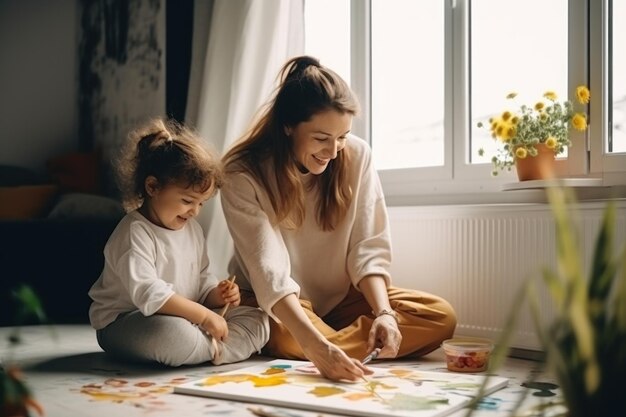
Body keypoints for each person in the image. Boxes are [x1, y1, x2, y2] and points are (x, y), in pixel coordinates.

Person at [220, 56, 457, 382]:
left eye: (342, 137)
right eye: (321, 138)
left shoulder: (357, 156)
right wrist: (316, 344)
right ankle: (317, 344)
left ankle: (326, 343)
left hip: (340, 301)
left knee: (440, 316)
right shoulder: (241, 172)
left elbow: (368, 248)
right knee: (287, 332)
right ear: (288, 125)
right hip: (275, 303)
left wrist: (385, 314)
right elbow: (269, 274)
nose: (333, 151)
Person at [88, 118, 269, 367]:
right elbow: (150, 295)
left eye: (201, 203)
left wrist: (217, 295)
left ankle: (207, 349)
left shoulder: (192, 229)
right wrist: (205, 317)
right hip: (126, 322)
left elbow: (201, 285)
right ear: (152, 187)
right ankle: (214, 348)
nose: (194, 211)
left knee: (259, 319)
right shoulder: (133, 232)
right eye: (187, 200)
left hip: (186, 318)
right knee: (170, 334)